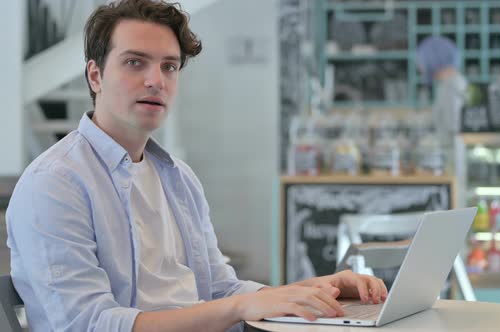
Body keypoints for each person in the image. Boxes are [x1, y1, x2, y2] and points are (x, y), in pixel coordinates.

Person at [6, 1, 387, 331]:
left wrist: (317, 289)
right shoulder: (56, 184)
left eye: (169, 67)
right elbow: (89, 325)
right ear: (95, 75)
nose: (156, 80)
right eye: (135, 62)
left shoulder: (178, 178)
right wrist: (238, 307)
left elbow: (219, 290)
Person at [416, 36, 467, 147]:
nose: (419, 67)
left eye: (422, 59)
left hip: (452, 154)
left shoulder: (452, 86)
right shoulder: (447, 84)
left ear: (433, 59)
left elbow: (454, 128)